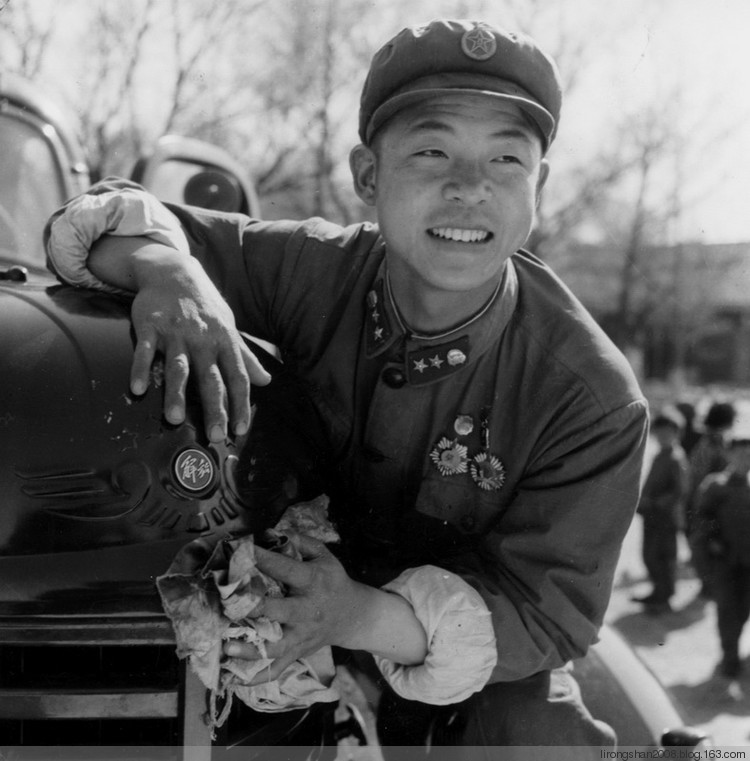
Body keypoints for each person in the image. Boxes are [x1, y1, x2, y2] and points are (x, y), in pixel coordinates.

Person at [44, 19, 648, 754]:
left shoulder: (591, 399)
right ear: (369, 176)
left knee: (543, 742)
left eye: (506, 159)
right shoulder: (313, 268)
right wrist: (168, 273)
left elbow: (547, 614)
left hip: (459, 663)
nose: (470, 188)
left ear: (539, 187)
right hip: (265, 602)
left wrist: (359, 615)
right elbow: (112, 223)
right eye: (431, 151)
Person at [693, 437, 750, 679]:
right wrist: (712, 540)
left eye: (748, 455)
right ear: (729, 455)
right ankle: (730, 658)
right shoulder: (715, 485)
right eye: (739, 454)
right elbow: (700, 517)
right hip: (725, 561)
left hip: (748, 563)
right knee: (728, 611)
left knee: (743, 611)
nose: (744, 460)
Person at [631, 407, 689, 614]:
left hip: (665, 518)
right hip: (652, 516)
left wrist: (656, 503)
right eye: (659, 433)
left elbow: (679, 491)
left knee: (663, 558)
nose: (663, 437)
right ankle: (658, 591)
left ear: (676, 433)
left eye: (667, 433)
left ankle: (664, 597)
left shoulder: (676, 457)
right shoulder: (660, 455)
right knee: (649, 556)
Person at [686, 400, 736, 599]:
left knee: (704, 545)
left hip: (704, 502)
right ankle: (711, 585)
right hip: (710, 503)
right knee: (706, 545)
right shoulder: (716, 443)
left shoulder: (708, 441)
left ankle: (710, 586)